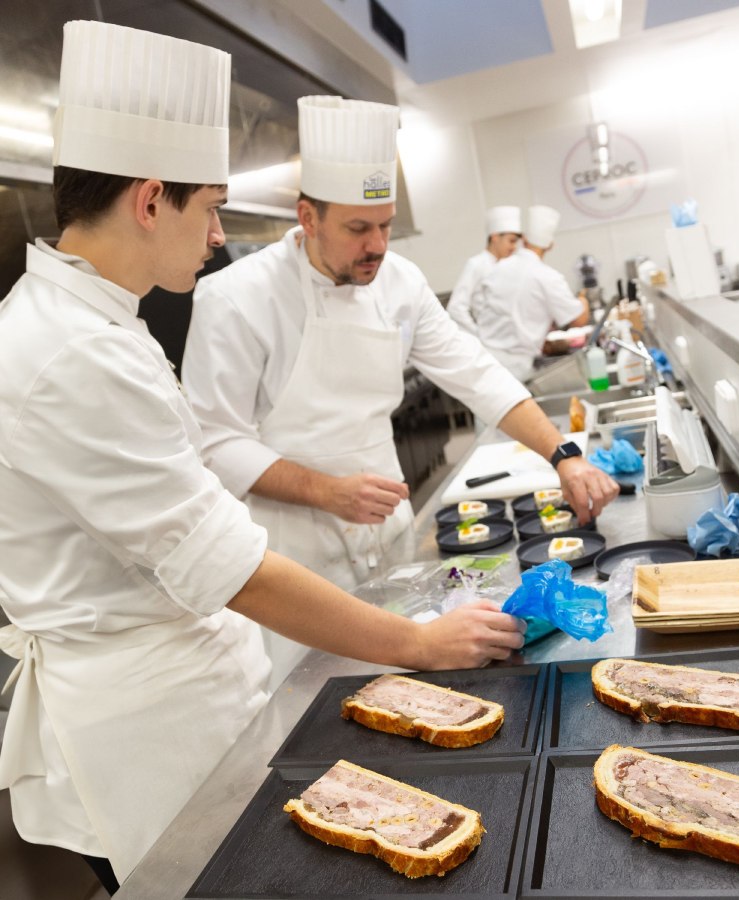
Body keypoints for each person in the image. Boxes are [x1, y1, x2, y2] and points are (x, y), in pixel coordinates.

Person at [0, 24, 526, 891]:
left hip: (194, 675)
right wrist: (419, 645)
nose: (215, 235)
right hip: (154, 719)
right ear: (149, 200)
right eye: (209, 207)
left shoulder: (94, 324)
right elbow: (232, 565)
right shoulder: (70, 353)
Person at [183, 97, 620, 689]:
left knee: (412, 690)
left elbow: (476, 373)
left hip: (387, 532)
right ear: (307, 218)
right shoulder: (235, 298)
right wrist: (326, 490)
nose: (378, 245)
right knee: (322, 702)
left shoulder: (399, 282)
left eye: (385, 225)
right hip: (294, 558)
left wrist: (563, 455)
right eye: (358, 228)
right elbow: (215, 443)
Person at [475, 205, 591, 382]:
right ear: (550, 245)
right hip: (514, 368)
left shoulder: (498, 268)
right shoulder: (546, 276)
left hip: (483, 362)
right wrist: (583, 299)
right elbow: (579, 319)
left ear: (525, 240)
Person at [446, 205, 521, 334]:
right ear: (495, 237)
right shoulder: (476, 264)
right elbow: (456, 307)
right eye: (511, 241)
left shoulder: (511, 265)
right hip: (491, 339)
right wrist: (478, 334)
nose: (514, 247)